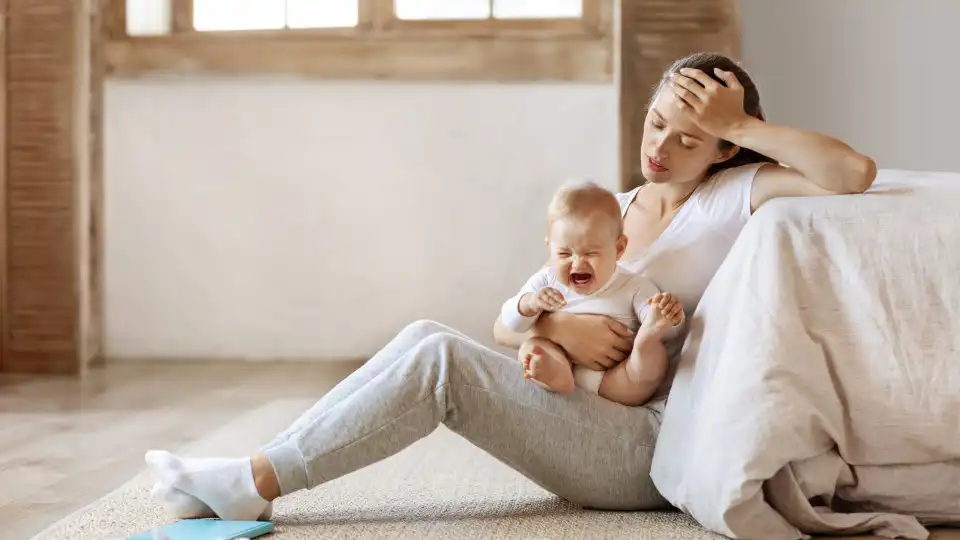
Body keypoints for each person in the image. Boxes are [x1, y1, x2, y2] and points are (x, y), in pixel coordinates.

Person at [144, 52, 877, 521]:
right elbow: (510, 326)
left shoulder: (737, 193)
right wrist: (556, 329)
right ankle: (255, 472)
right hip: (585, 408)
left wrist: (744, 121)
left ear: (724, 146)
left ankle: (253, 482)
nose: (660, 147)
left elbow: (853, 175)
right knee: (427, 336)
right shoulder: (614, 210)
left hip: (647, 447)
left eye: (688, 139)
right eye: (657, 124)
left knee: (440, 366)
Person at [500, 180, 684, 404]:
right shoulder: (546, 281)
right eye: (564, 253)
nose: (577, 263)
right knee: (532, 349)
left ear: (618, 249)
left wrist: (659, 318)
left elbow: (668, 329)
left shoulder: (632, 285)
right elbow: (510, 322)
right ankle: (554, 374)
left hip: (614, 378)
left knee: (654, 358)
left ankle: (645, 342)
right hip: (561, 362)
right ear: (550, 247)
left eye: (590, 253)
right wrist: (528, 303)